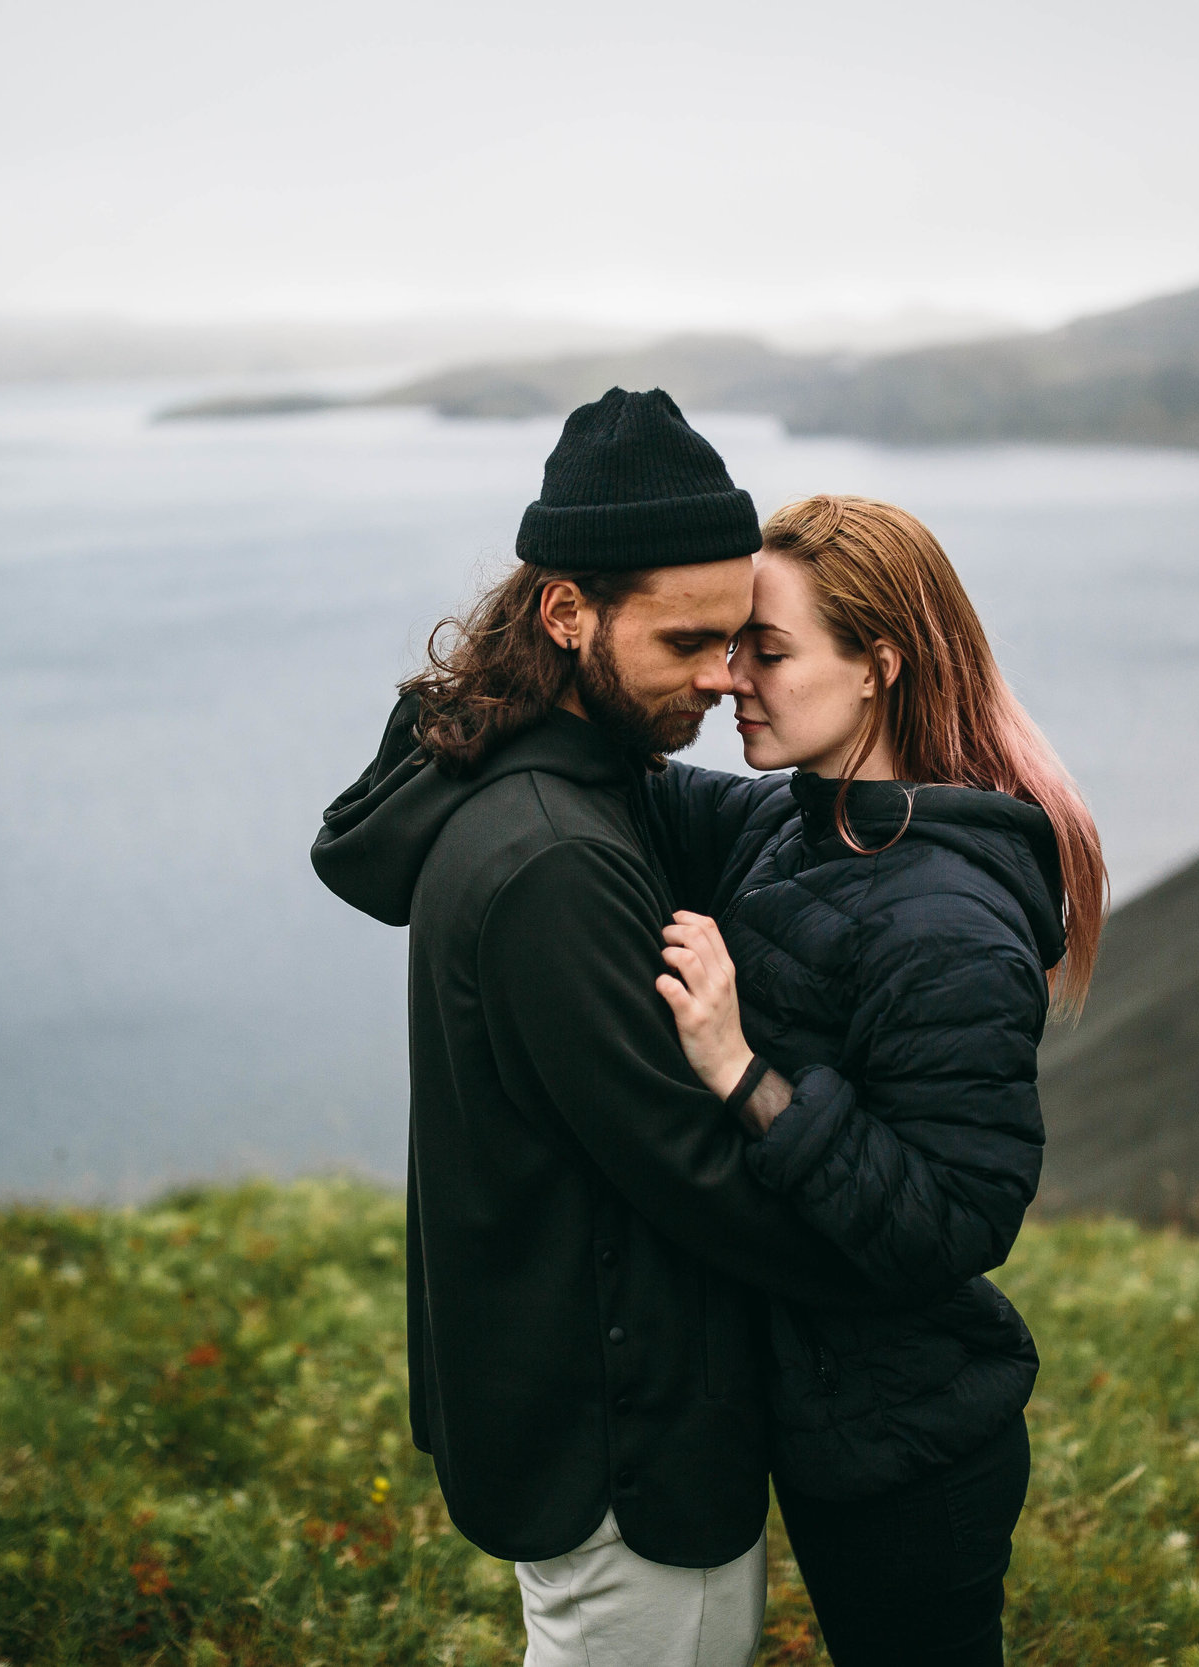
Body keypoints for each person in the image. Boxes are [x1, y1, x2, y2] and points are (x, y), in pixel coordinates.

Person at [310, 389, 878, 1667]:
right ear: (566, 611)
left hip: (580, 1396)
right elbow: (690, 1167)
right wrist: (889, 1241)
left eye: (739, 638)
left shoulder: (552, 783)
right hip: (623, 1434)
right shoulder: (553, 857)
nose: (723, 675)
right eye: (688, 641)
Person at [639, 494, 1108, 1667]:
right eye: (729, 643)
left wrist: (741, 1070)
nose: (730, 677)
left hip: (917, 1445)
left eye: (769, 649)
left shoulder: (946, 921)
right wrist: (504, 677)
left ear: (876, 668)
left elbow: (956, 1217)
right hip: (835, 1413)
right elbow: (615, 785)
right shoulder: (801, 822)